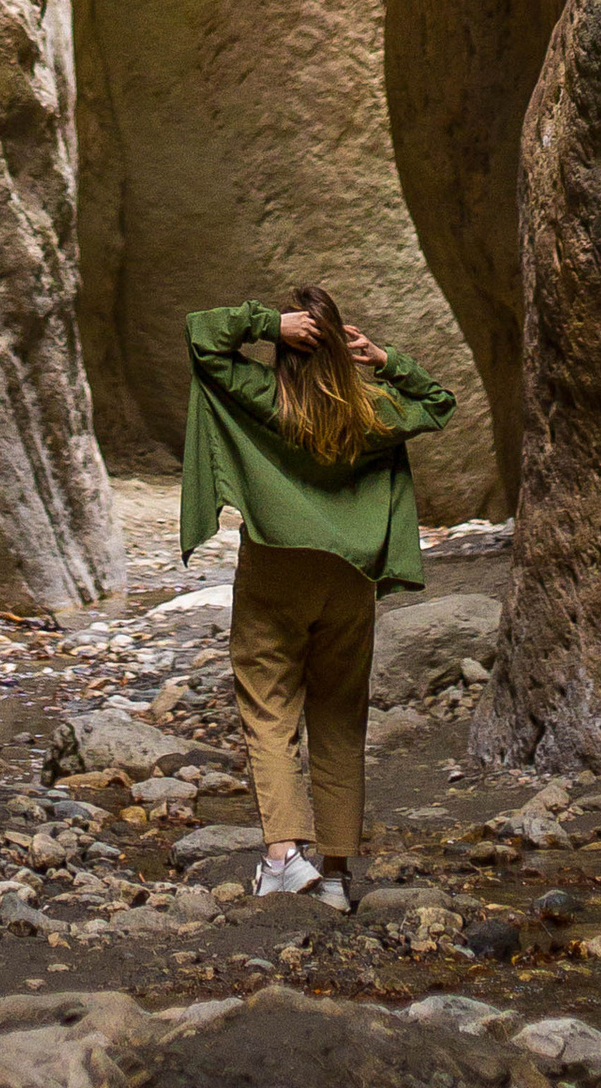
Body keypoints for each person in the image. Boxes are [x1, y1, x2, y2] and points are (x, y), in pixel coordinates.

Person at [181, 286, 456, 906]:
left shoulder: (260, 395)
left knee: (268, 707)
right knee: (338, 714)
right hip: (349, 579)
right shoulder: (374, 409)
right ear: (338, 348)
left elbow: (202, 332)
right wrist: (385, 361)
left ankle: (283, 856)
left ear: (287, 346)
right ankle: (333, 875)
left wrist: (264, 323)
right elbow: (440, 402)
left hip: (276, 569)